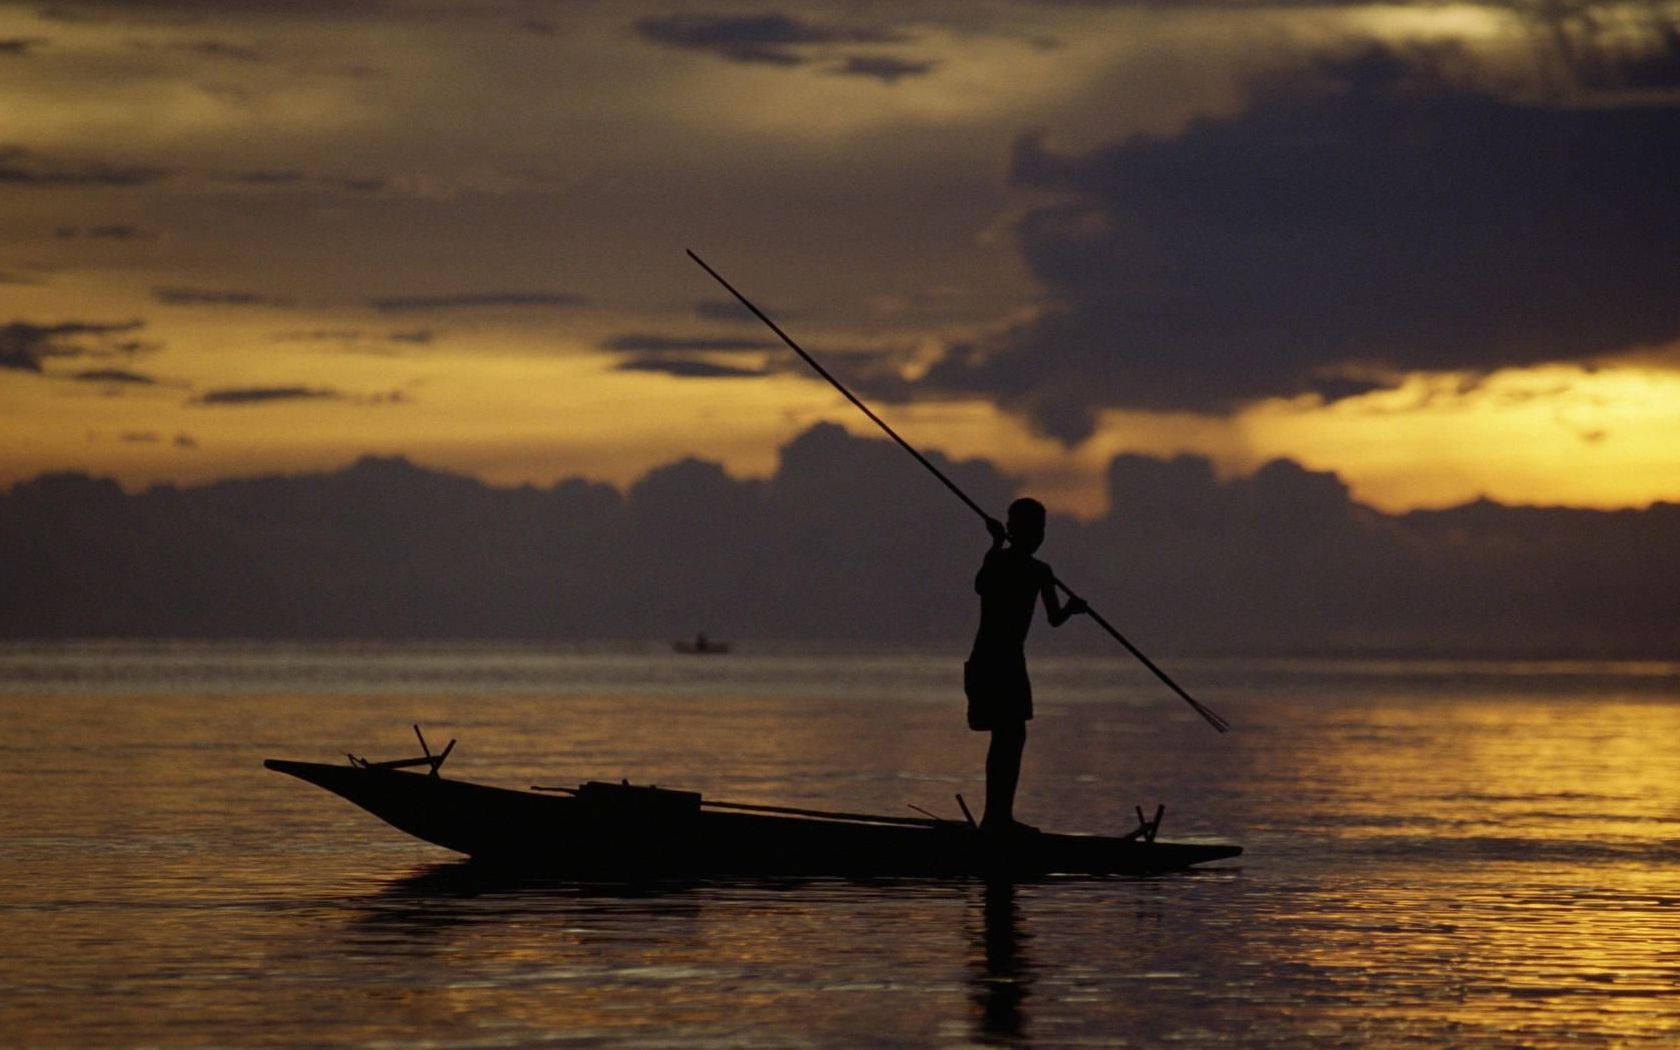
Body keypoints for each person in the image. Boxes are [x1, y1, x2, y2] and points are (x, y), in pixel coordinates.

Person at [964, 497, 1086, 835]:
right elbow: (982, 585)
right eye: (1034, 529)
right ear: (1018, 530)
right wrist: (995, 543)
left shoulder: (1038, 570)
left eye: (1042, 529)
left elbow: (1055, 618)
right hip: (992, 659)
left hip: (1008, 660)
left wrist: (1072, 609)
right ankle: (996, 819)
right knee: (1008, 734)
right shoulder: (1009, 564)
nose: (1039, 535)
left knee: (1011, 736)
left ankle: (998, 817)